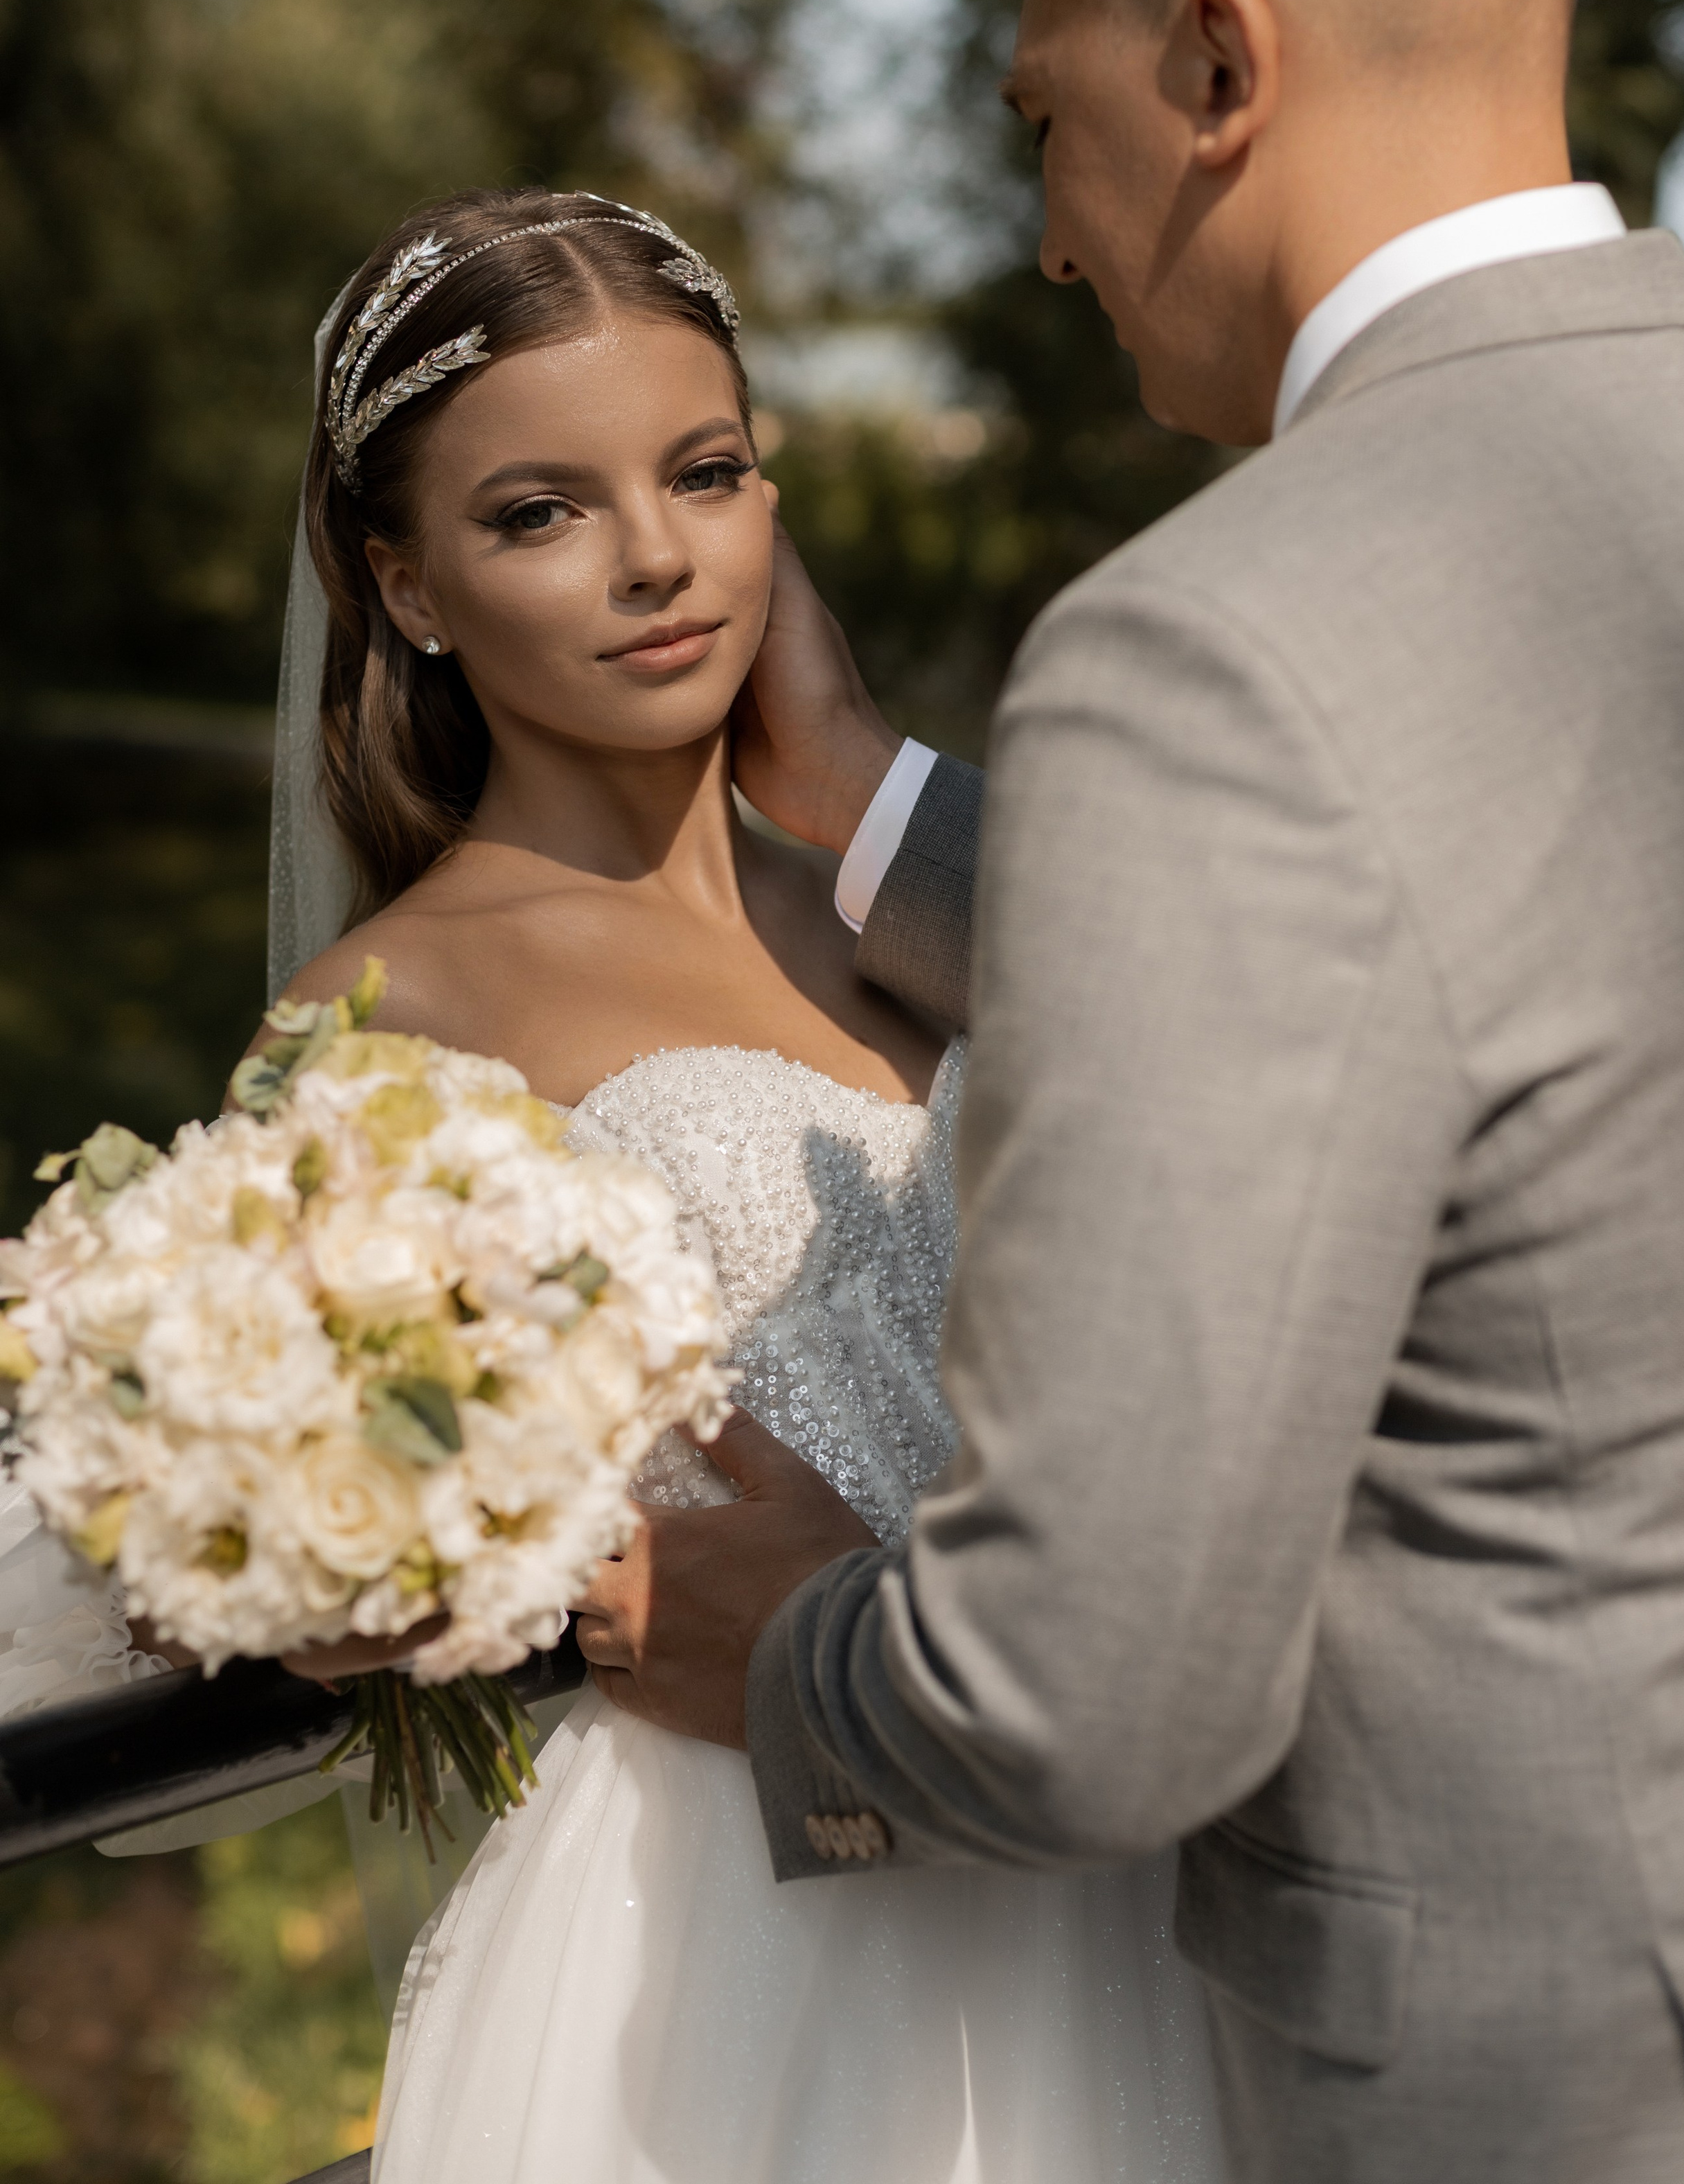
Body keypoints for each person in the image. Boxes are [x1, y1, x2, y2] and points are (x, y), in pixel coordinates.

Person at [570, 0, 1684, 2184]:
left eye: (1050, 120)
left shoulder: (1213, 647)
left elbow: (1085, 1699)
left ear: (1218, 67)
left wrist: (772, 1659)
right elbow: (1524, 1002)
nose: (1045, 240)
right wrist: (870, 803)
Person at [259, 186, 1225, 2183]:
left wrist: (850, 759)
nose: (655, 557)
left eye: (704, 473)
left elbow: (1232, 1102)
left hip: (1103, 1859)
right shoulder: (384, 1015)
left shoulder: (900, 907)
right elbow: (327, 1533)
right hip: (731, 1929)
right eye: (541, 511)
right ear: (408, 585)